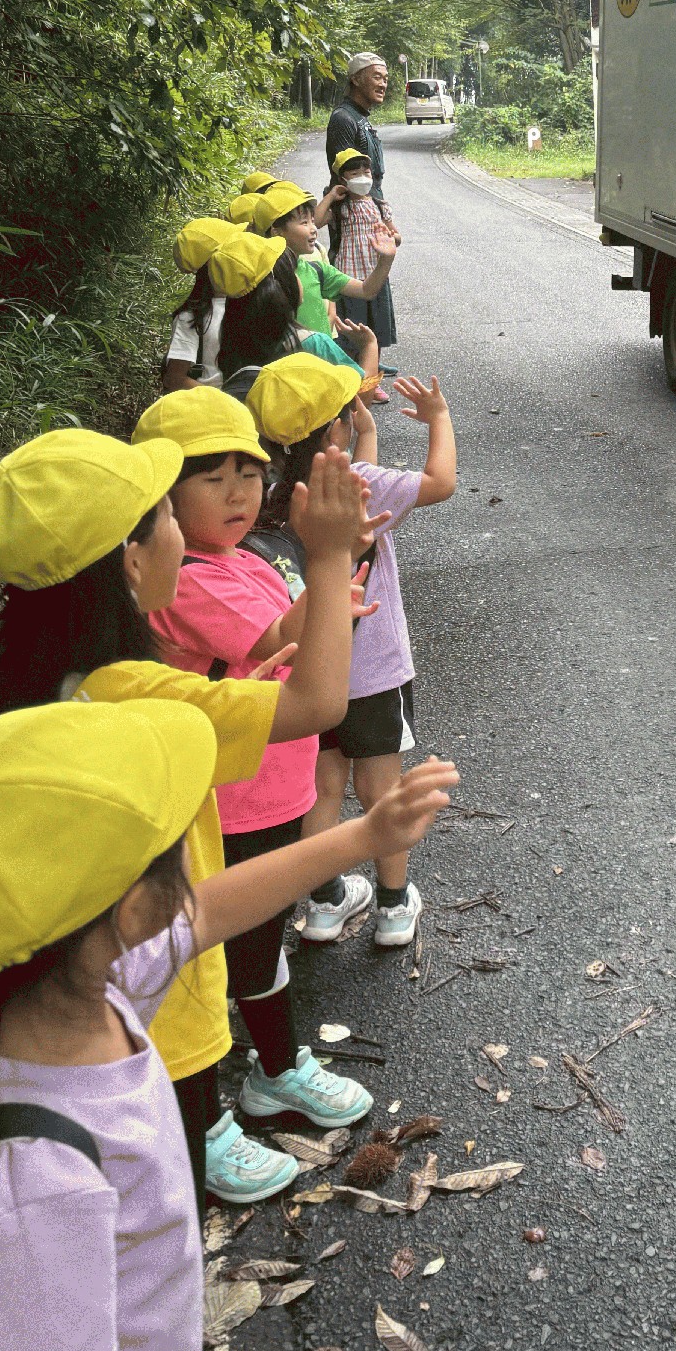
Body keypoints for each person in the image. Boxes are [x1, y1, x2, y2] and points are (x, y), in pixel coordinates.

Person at [0, 697, 455, 1351]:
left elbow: (208, 911)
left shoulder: (74, 989)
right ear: (133, 909)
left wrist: (365, 837)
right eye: (179, 844)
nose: (195, 861)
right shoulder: (31, 1188)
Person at [0, 415, 370, 1225]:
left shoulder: (44, 689)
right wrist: (328, 559)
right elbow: (317, 702)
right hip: (157, 971)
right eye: (164, 515)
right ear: (131, 560)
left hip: (74, 992)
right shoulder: (142, 700)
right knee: (164, 1190)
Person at [144, 391, 390, 1140]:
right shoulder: (190, 578)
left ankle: (265, 1070)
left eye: (248, 475)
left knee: (258, 938)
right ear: (162, 496)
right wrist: (332, 562)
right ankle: (256, 1084)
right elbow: (276, 638)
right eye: (212, 478)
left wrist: (334, 569)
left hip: (274, 781)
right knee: (242, 944)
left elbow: (299, 625)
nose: (237, 494)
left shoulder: (242, 558)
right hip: (237, 798)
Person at [245, 358, 456, 949]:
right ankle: (393, 905)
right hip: (372, 672)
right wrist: (439, 418)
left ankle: (325, 903)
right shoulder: (359, 481)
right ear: (336, 426)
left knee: (323, 787)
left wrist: (363, 434)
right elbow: (440, 481)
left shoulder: (265, 493)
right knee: (381, 789)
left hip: (310, 675)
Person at [253, 179, 395, 394]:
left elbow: (366, 290)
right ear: (276, 231)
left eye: (313, 221)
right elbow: (363, 388)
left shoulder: (316, 269)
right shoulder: (259, 278)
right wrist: (369, 346)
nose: (314, 229)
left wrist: (386, 260)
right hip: (290, 382)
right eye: (304, 223)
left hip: (320, 379)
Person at [207, 231, 360, 398]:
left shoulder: (232, 338)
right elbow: (360, 394)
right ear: (279, 289)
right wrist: (368, 347)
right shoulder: (313, 343)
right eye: (294, 273)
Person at [319, 146, 400, 369]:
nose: (362, 177)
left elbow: (397, 236)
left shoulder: (379, 205)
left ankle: (373, 368)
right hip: (348, 274)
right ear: (342, 179)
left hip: (376, 273)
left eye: (366, 172)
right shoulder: (339, 208)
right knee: (351, 327)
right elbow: (315, 222)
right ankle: (352, 370)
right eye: (355, 174)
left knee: (377, 326)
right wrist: (331, 196)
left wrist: (390, 237)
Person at [162, 217, 241, 392]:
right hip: (211, 405)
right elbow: (175, 379)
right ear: (212, 263)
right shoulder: (191, 317)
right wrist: (225, 400)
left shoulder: (245, 301)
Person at [325, 52, 388, 199]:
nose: (382, 85)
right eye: (377, 77)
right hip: (353, 211)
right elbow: (346, 178)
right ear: (356, 80)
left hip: (369, 205)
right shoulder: (343, 118)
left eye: (385, 79)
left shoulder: (360, 117)